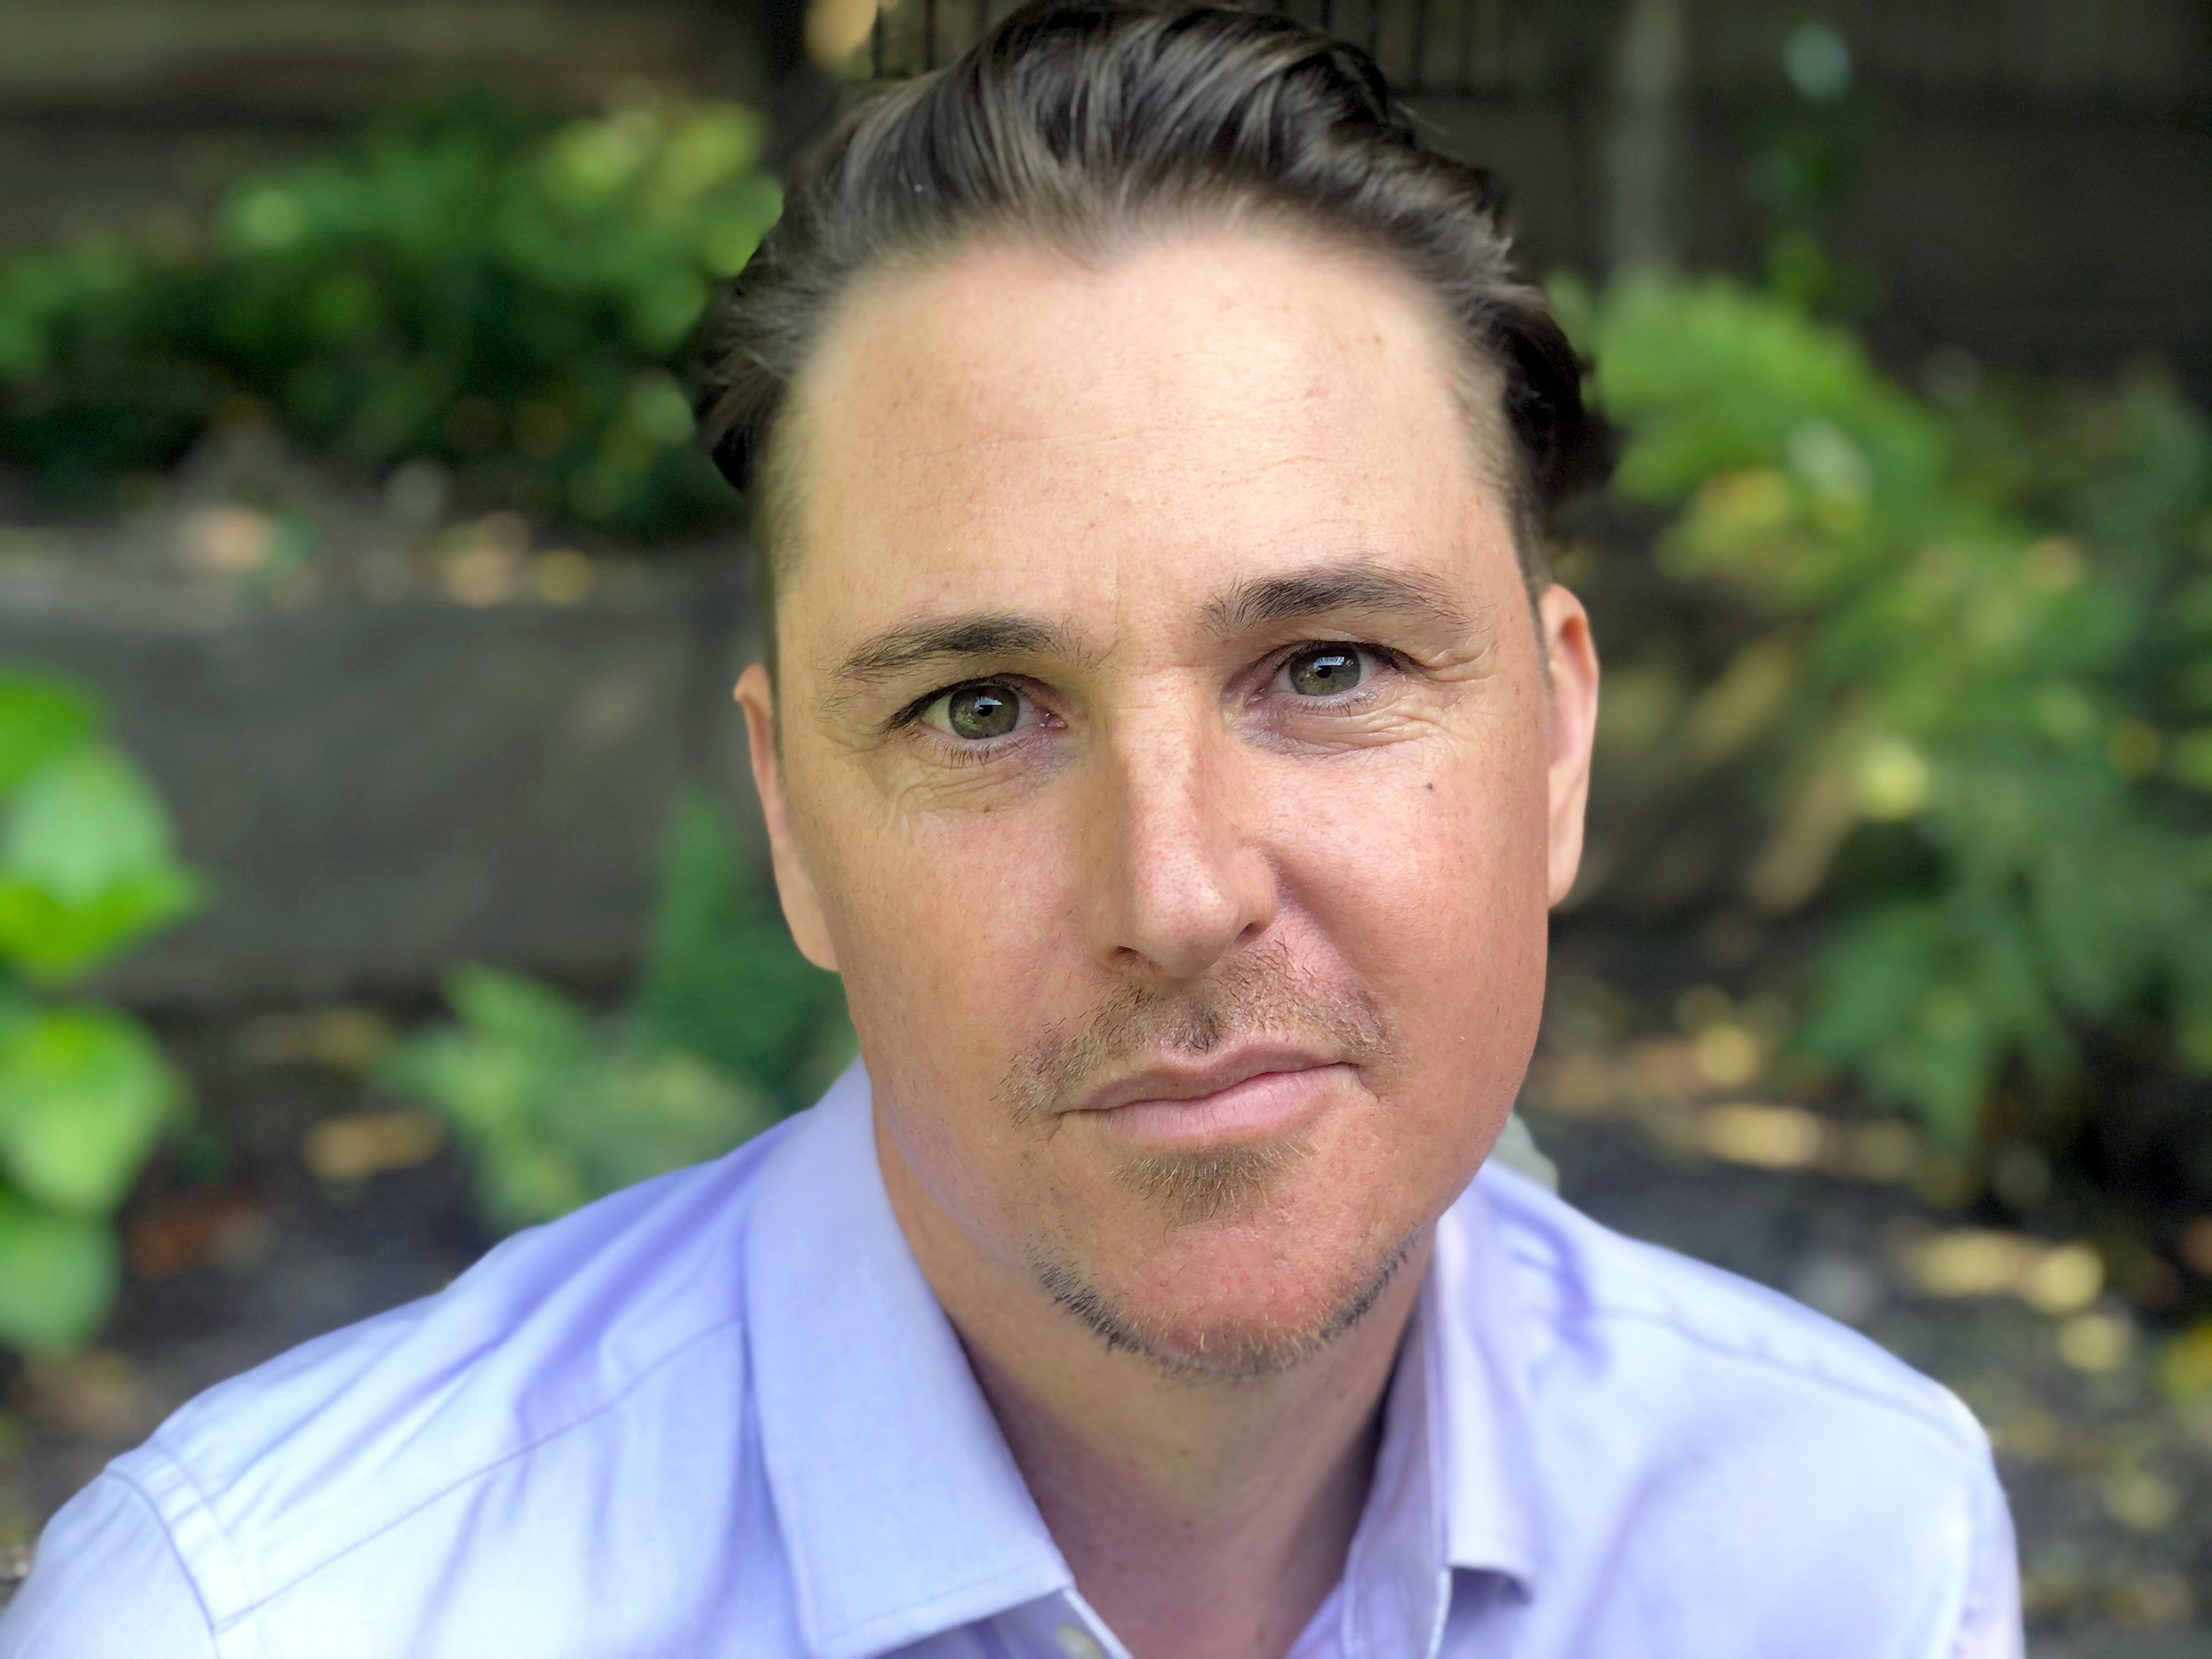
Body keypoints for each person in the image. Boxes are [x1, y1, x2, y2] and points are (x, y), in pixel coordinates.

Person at [1, 4, 2022, 1655]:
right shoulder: (262, 1622)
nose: (1177, 893)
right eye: (981, 710)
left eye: (1324, 666)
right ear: (793, 821)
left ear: (1560, 745)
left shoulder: (1848, 1547)